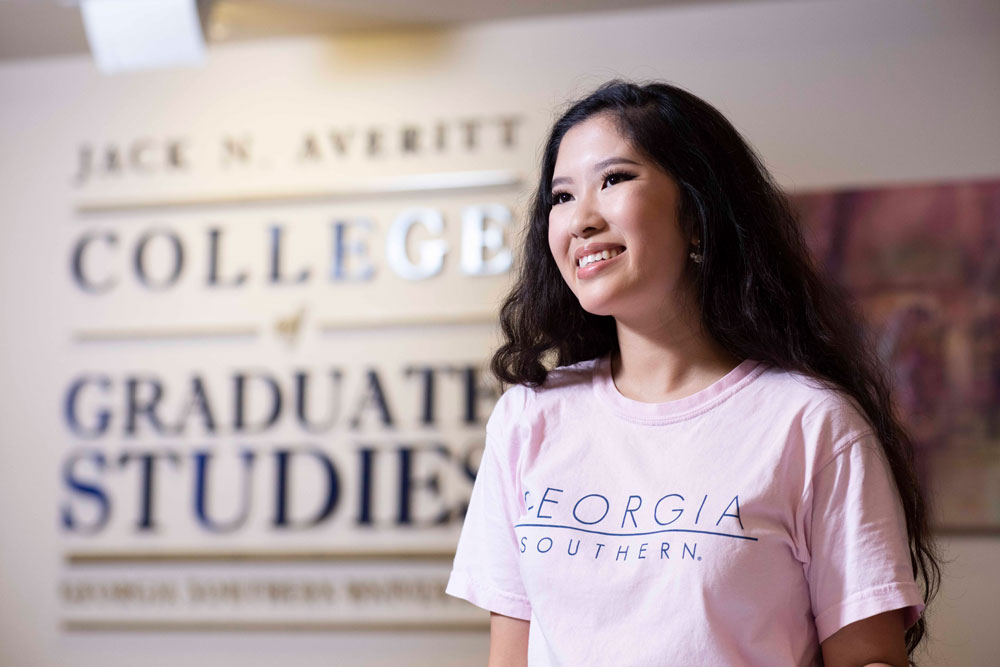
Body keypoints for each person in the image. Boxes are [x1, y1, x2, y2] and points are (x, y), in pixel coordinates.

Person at [446, 80, 940, 666]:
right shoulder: (529, 418)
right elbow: (513, 657)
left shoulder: (810, 422)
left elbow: (868, 660)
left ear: (699, 214)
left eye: (614, 180)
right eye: (560, 196)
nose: (580, 219)